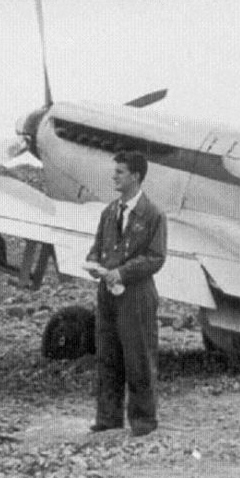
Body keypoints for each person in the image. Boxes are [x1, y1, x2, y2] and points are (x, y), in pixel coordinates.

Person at [85, 151, 167, 436]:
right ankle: (108, 418)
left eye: (120, 172)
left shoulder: (153, 214)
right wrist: (93, 264)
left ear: (135, 176)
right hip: (107, 293)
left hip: (137, 294)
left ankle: (143, 422)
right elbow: (97, 247)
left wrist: (122, 273)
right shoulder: (109, 212)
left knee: (139, 357)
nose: (114, 176)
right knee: (107, 356)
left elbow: (156, 257)